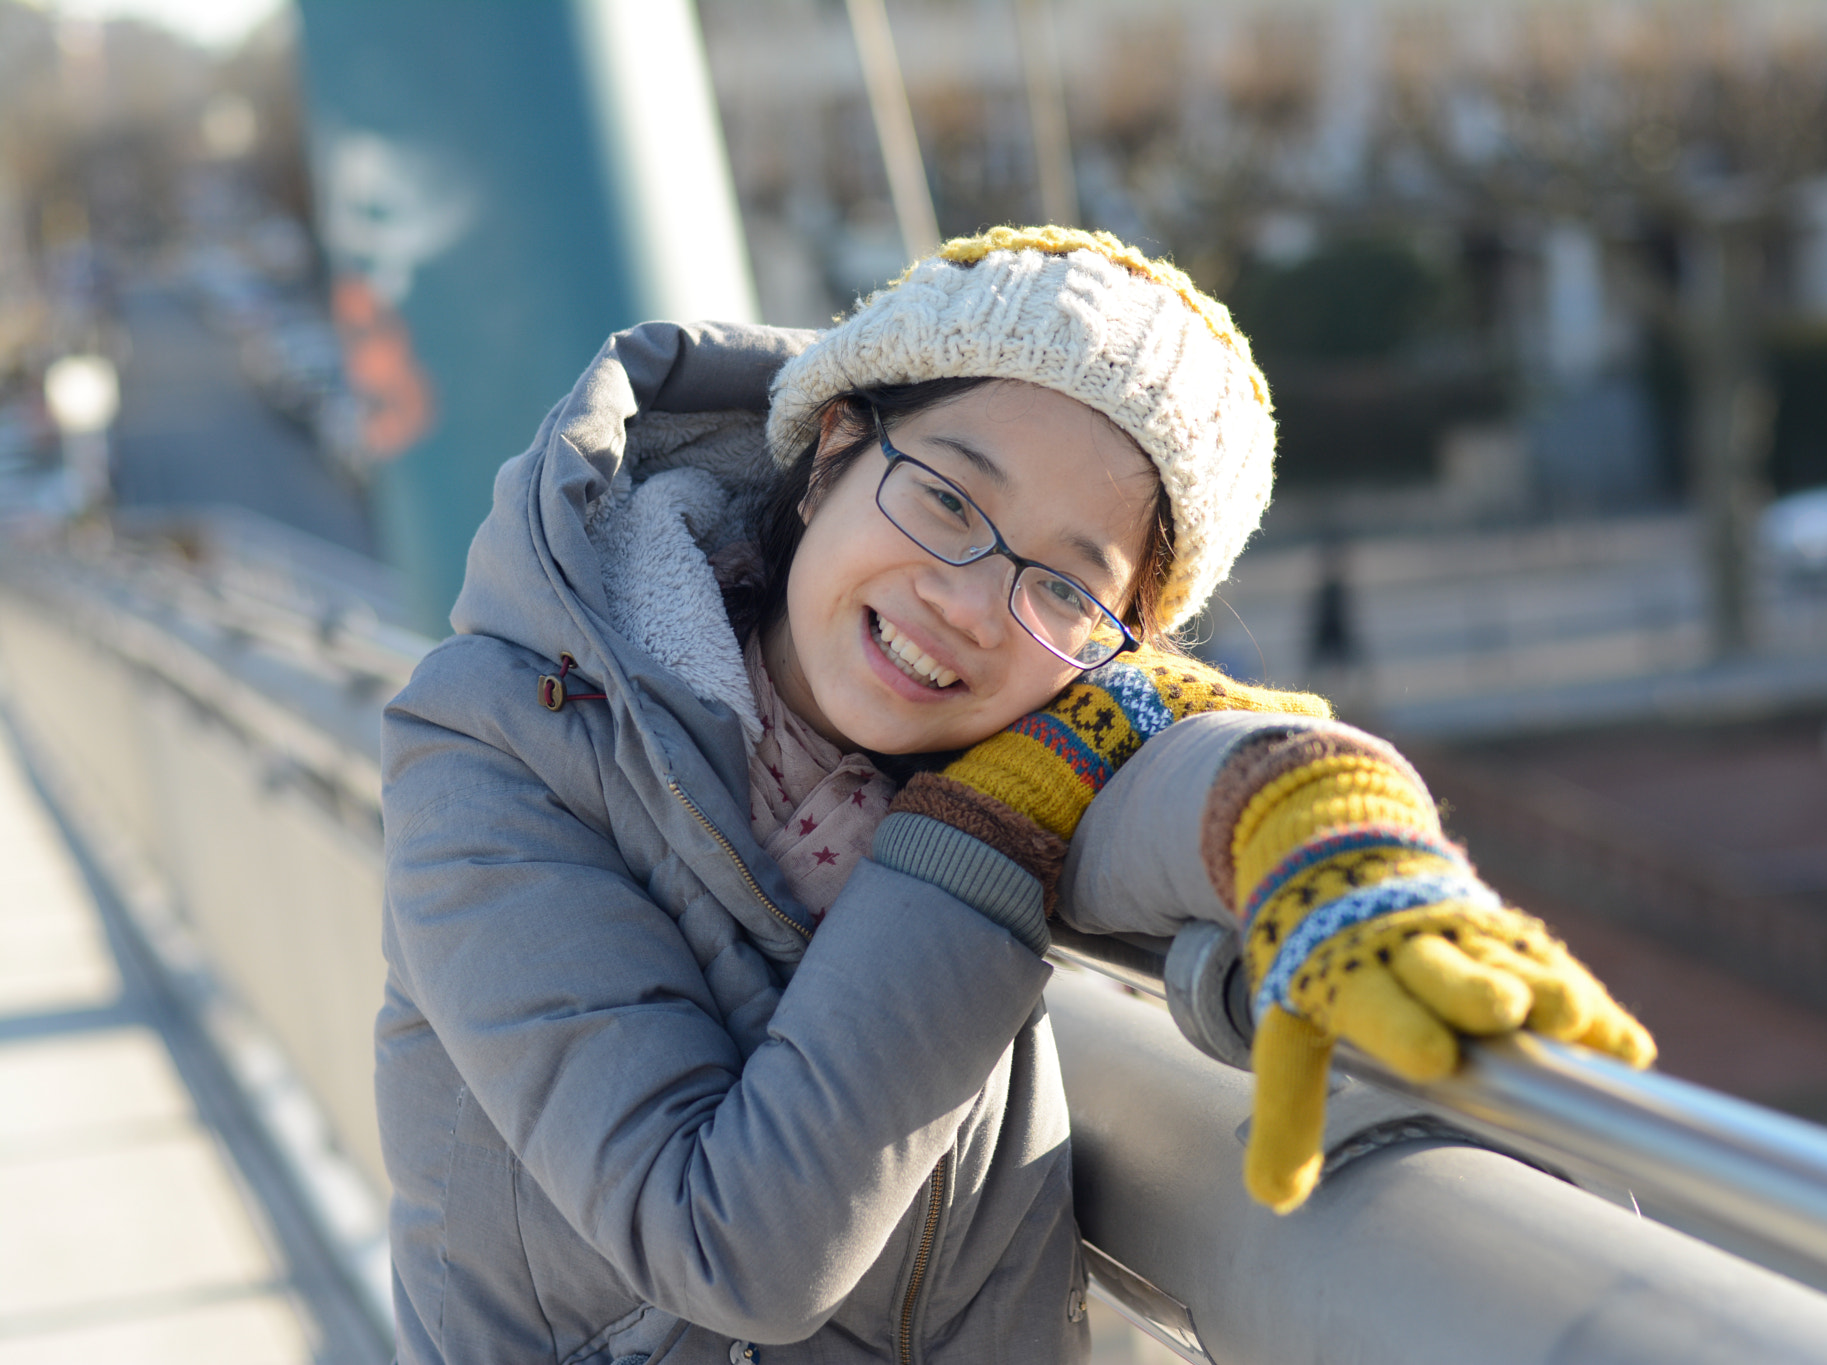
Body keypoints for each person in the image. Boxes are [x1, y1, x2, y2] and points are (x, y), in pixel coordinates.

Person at [377, 226, 1654, 1365]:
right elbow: (733, 1250)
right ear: (829, 453)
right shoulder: (498, 750)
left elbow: (1157, 775)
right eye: (945, 498)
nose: (970, 602)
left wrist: (1315, 821)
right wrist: (972, 846)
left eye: (1065, 588)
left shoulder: (1032, 739)